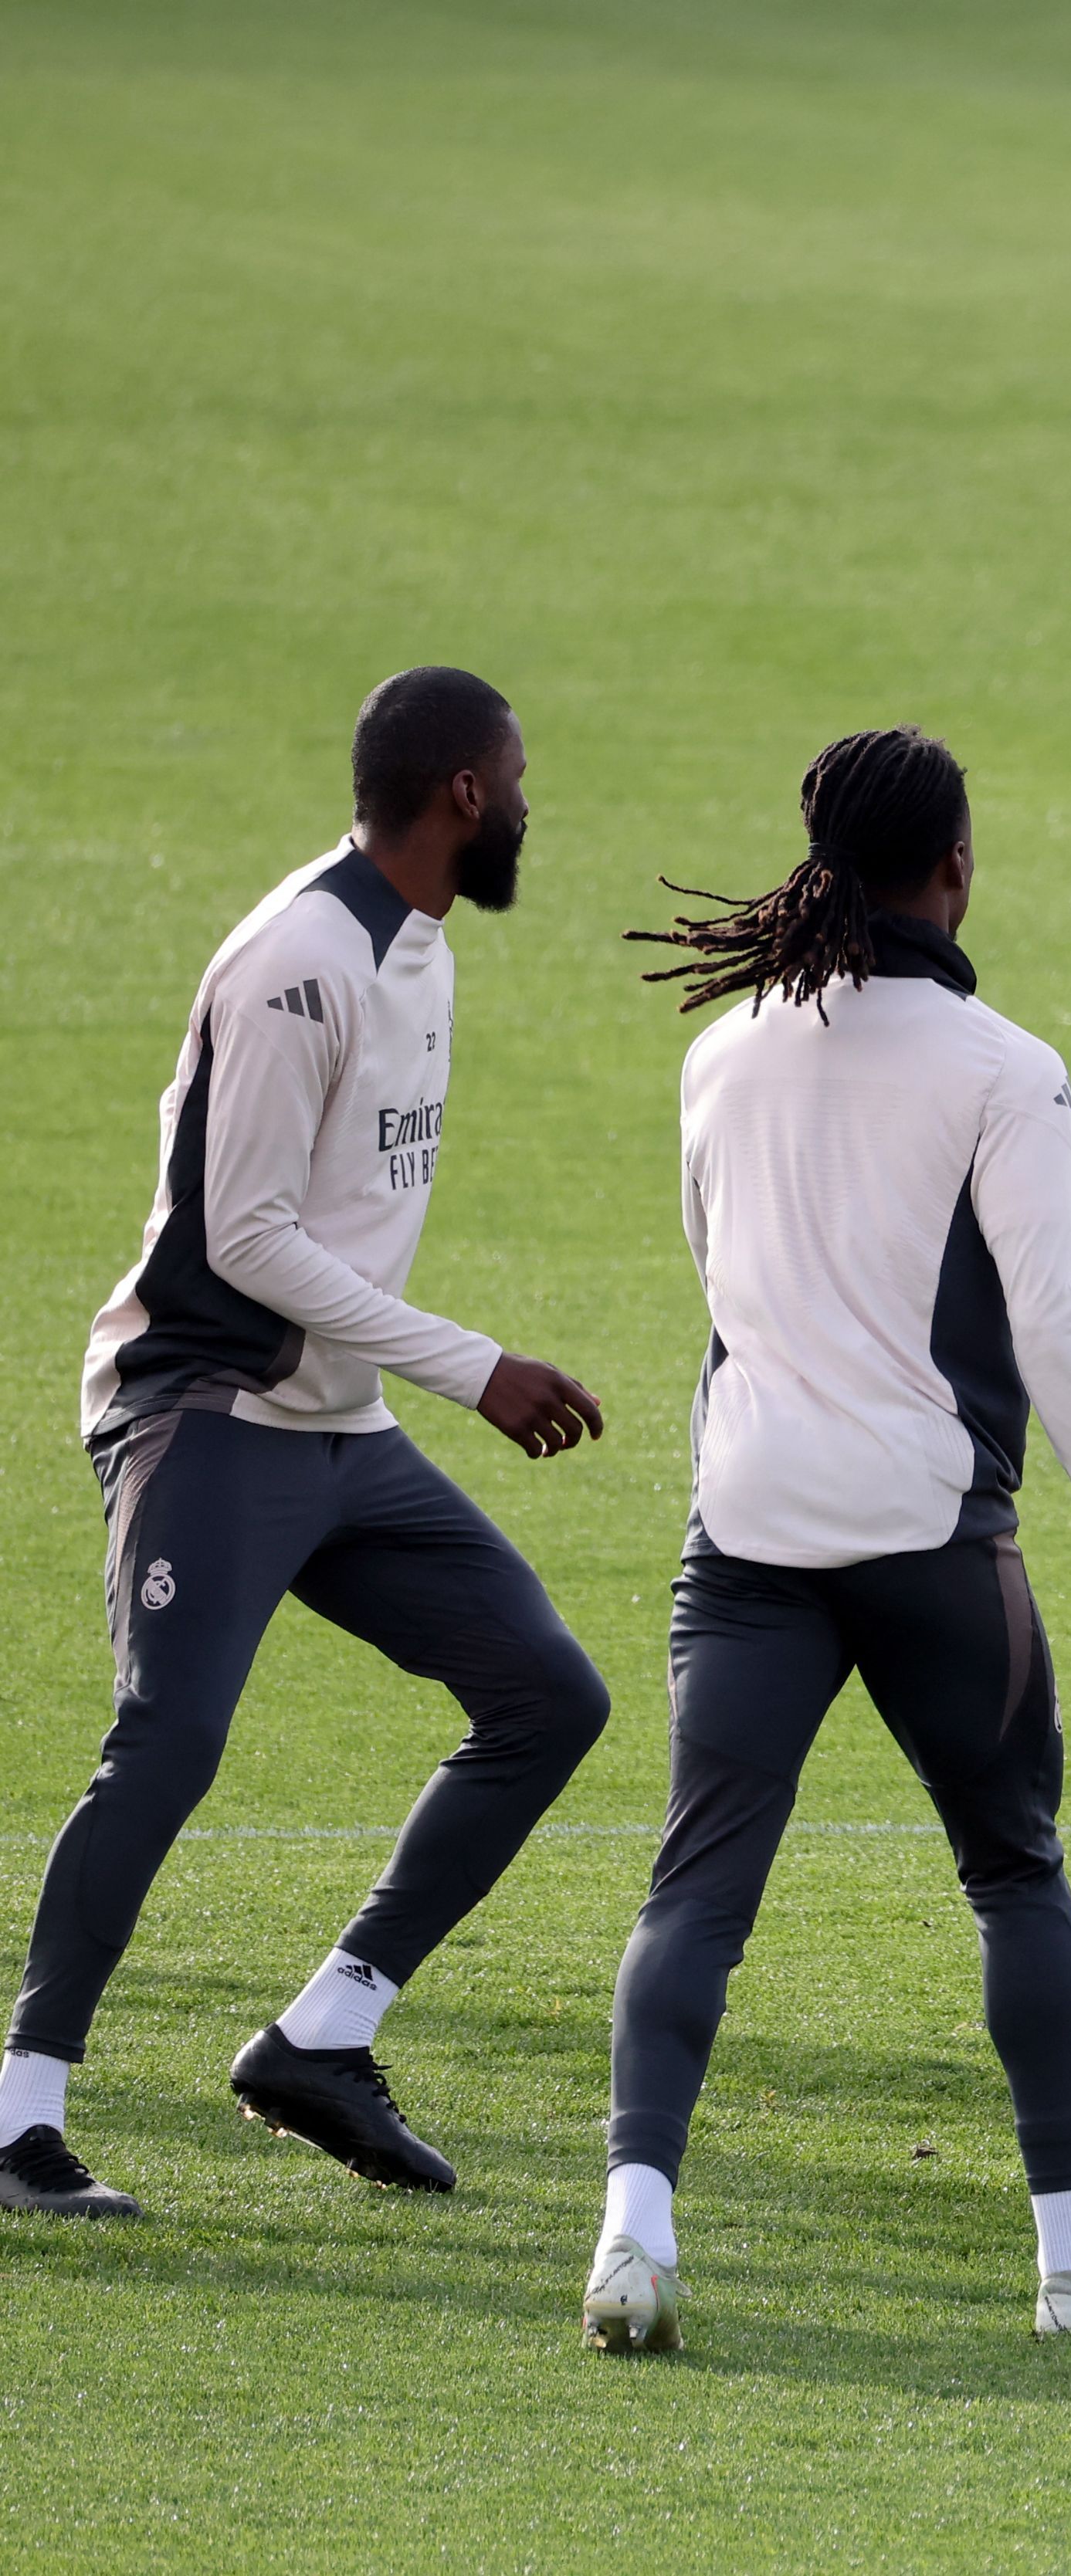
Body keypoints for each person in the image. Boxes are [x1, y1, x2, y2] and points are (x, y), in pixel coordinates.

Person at [591, 729, 1071, 2350]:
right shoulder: (1007, 1065)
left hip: (748, 1530)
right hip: (932, 1538)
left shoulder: (723, 1055)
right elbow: (1053, 1321)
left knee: (695, 1892)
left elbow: (742, 1264)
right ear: (957, 868)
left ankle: (632, 2236)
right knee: (1015, 1874)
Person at [0, 669, 612, 2222]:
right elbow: (249, 1236)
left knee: (548, 1695)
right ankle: (17, 2117)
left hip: (337, 1430)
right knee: (172, 1742)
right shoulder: (299, 963)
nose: (533, 802)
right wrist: (478, 1369)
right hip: (203, 1411)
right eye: (519, 777)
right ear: (463, 793)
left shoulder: (424, 955)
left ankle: (324, 2035)